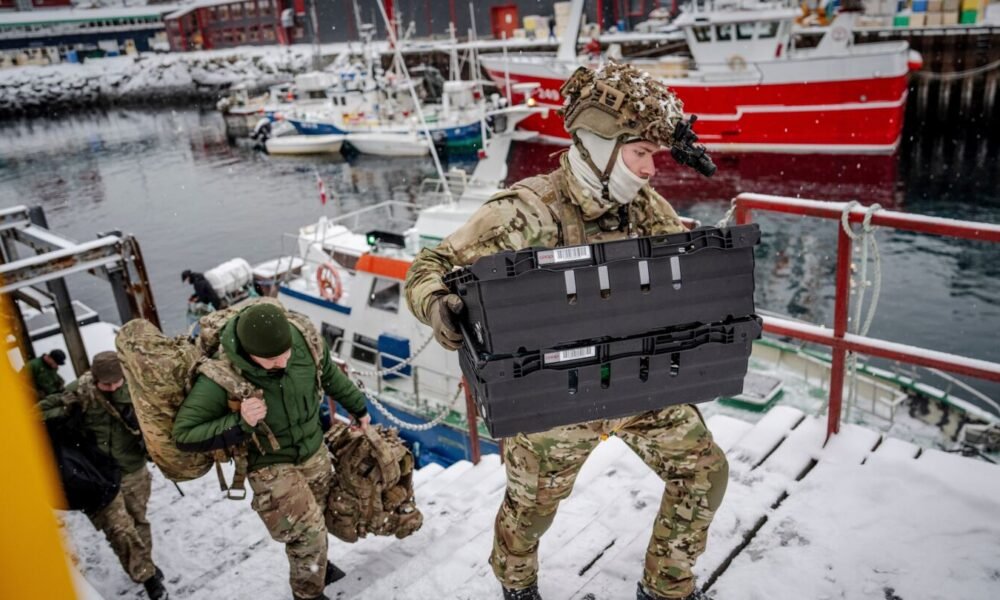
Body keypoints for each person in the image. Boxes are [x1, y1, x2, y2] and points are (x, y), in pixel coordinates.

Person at [404, 62, 728, 600]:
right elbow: (429, 265)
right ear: (600, 145)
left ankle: (667, 585)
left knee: (704, 472)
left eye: (654, 155)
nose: (650, 170)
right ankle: (517, 587)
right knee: (529, 514)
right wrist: (438, 306)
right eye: (641, 153)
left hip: (637, 382)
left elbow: (682, 270)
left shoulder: (644, 208)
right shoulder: (528, 211)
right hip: (556, 395)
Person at [173, 302, 371, 600]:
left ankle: (317, 564)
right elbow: (184, 435)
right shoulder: (220, 375)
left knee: (319, 513)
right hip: (268, 461)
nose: (283, 362)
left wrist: (358, 407)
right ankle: (307, 594)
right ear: (248, 354)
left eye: (287, 353)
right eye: (272, 359)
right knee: (307, 531)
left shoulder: (304, 339)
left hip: (311, 447)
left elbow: (328, 374)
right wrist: (241, 422)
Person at [38, 351, 168, 600]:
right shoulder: (80, 390)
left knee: (138, 520)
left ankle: (146, 563)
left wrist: (141, 425)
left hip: (133, 468)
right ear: (94, 377)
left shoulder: (137, 388)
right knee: (120, 530)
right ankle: (146, 576)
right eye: (105, 384)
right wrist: (66, 412)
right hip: (100, 476)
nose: (112, 388)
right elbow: (36, 413)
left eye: (116, 382)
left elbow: (162, 418)